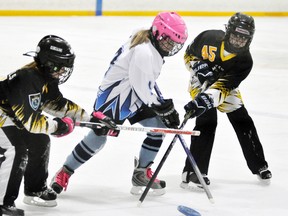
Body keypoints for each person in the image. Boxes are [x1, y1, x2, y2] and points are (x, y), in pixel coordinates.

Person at [50, 11, 188, 197]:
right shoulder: (144, 53)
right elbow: (144, 90)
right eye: (168, 41)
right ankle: (64, 172)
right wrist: (164, 108)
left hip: (134, 95)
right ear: (157, 32)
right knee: (98, 137)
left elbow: (144, 83)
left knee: (158, 128)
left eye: (174, 43)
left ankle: (141, 174)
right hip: (115, 99)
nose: (170, 46)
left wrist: (163, 110)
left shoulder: (148, 40)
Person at [0, 35, 117, 216]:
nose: (63, 71)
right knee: (16, 150)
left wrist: (90, 119)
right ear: (49, 62)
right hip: (2, 116)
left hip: (9, 116)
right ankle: (3, 202)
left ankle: (35, 190)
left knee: (40, 140)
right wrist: (58, 126)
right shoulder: (27, 78)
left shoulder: (45, 76)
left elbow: (57, 104)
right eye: (60, 66)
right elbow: (31, 122)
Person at [180, 12, 272, 190]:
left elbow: (223, 87)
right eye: (235, 35)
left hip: (223, 87)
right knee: (207, 121)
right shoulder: (208, 37)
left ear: (250, 39)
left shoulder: (245, 61)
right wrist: (196, 65)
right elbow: (188, 55)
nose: (238, 41)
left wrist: (206, 100)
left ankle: (259, 164)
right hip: (200, 82)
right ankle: (193, 171)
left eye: (243, 38)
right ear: (228, 31)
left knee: (243, 120)